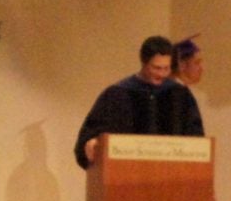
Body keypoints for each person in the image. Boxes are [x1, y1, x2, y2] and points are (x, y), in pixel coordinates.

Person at [74, 35, 204, 170]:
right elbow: (90, 136)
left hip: (171, 177)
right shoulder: (117, 95)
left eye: (166, 68)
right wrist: (91, 143)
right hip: (126, 176)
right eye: (156, 68)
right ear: (144, 63)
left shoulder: (181, 96)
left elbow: (196, 140)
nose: (162, 74)